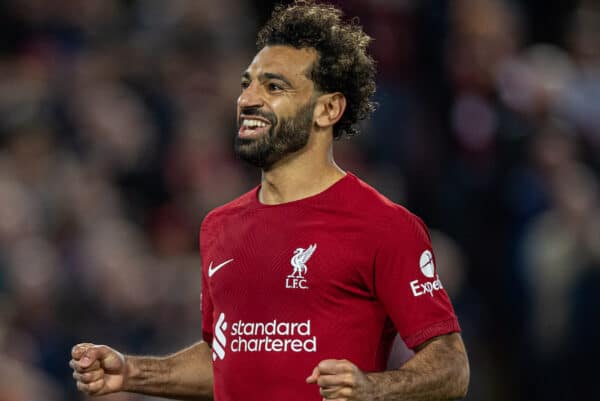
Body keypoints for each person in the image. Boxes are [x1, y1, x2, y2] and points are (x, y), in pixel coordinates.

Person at [70, 1, 470, 400]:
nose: (247, 99)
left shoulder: (384, 226)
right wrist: (133, 371)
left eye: (274, 86)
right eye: (247, 83)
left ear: (328, 108)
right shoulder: (219, 226)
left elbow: (451, 366)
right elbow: (224, 361)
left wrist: (375, 388)